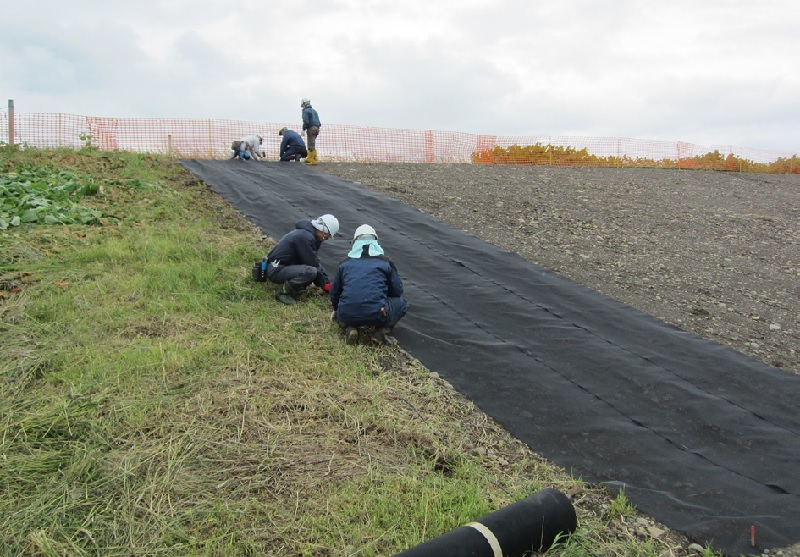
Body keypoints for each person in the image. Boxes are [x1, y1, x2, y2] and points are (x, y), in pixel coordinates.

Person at [330, 224, 409, 345]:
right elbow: (397, 291)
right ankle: (380, 334)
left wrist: (338, 311)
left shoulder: (345, 263)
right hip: (376, 313)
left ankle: (349, 327)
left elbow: (334, 292)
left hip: (346, 313)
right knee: (402, 304)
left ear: (355, 242)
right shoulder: (385, 263)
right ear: (375, 242)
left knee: (345, 310)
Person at [266, 214, 339, 305]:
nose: (326, 239)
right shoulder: (304, 237)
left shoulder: (308, 234)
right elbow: (311, 263)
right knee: (310, 272)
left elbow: (314, 260)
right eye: (327, 235)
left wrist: (326, 281)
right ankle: (284, 293)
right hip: (276, 270)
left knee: (312, 269)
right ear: (322, 229)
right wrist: (323, 285)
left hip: (281, 265)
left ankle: (296, 286)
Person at [301, 98, 321, 165]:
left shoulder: (305, 111)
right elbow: (319, 122)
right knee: (313, 143)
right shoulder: (314, 111)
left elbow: (306, 121)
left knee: (310, 145)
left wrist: (303, 129)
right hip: (317, 128)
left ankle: (312, 160)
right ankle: (312, 158)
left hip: (311, 128)